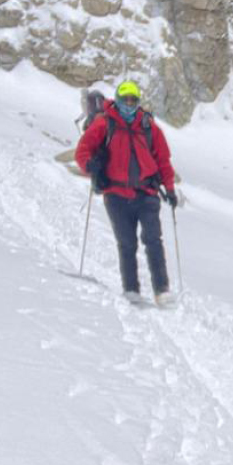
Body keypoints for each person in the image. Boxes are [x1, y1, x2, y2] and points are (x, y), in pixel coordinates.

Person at [75, 80, 178, 305]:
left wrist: (169, 188)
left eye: (134, 100)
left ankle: (162, 290)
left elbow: (163, 160)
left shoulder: (148, 126)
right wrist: (89, 165)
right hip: (116, 193)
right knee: (127, 242)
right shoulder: (105, 123)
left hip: (146, 192)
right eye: (126, 100)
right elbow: (83, 150)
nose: (130, 104)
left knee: (153, 240)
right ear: (119, 100)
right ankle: (131, 290)